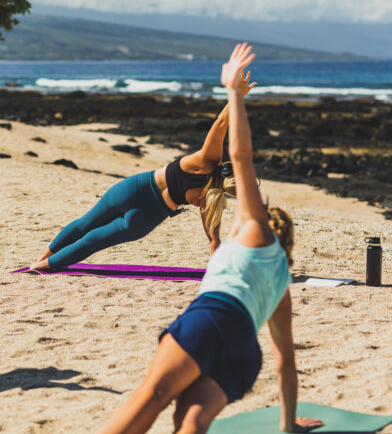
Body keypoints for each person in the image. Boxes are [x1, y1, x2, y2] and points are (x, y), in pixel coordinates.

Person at [96, 43, 324, 434]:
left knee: (152, 396)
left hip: (212, 321)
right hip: (244, 355)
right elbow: (285, 360)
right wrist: (289, 427)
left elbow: (242, 156)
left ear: (263, 226)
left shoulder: (254, 231)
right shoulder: (280, 284)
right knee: (191, 421)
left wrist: (233, 93)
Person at [31, 68, 254, 271]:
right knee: (93, 241)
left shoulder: (207, 159)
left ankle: (42, 258)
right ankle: (44, 266)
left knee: (84, 225)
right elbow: (214, 241)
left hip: (134, 188)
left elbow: (221, 122)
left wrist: (237, 94)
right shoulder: (210, 199)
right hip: (146, 217)